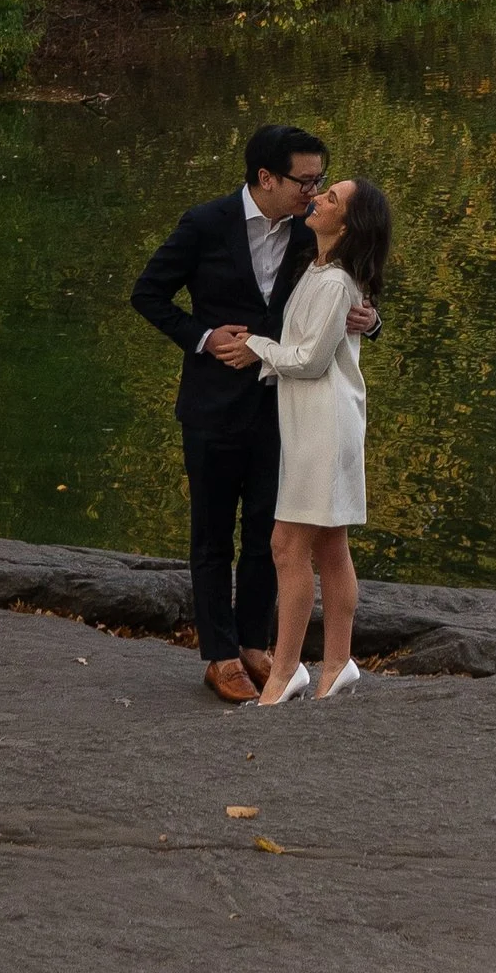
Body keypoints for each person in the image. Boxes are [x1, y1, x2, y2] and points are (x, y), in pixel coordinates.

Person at [129, 126, 378, 705]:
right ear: (266, 178)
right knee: (212, 534)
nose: (313, 192)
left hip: (285, 408)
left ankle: (258, 645)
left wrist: (373, 321)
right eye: (305, 180)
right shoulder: (205, 224)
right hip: (212, 406)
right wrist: (203, 336)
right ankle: (219, 654)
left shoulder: (311, 234)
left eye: (321, 180)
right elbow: (149, 295)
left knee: (274, 535)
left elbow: (346, 295)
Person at [216, 176, 393, 707]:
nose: (317, 198)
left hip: (323, 422)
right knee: (329, 545)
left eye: (331, 198)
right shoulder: (316, 267)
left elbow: (312, 360)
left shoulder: (337, 281)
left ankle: (285, 672)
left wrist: (257, 349)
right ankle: (338, 664)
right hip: (312, 419)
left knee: (286, 546)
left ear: (348, 223)